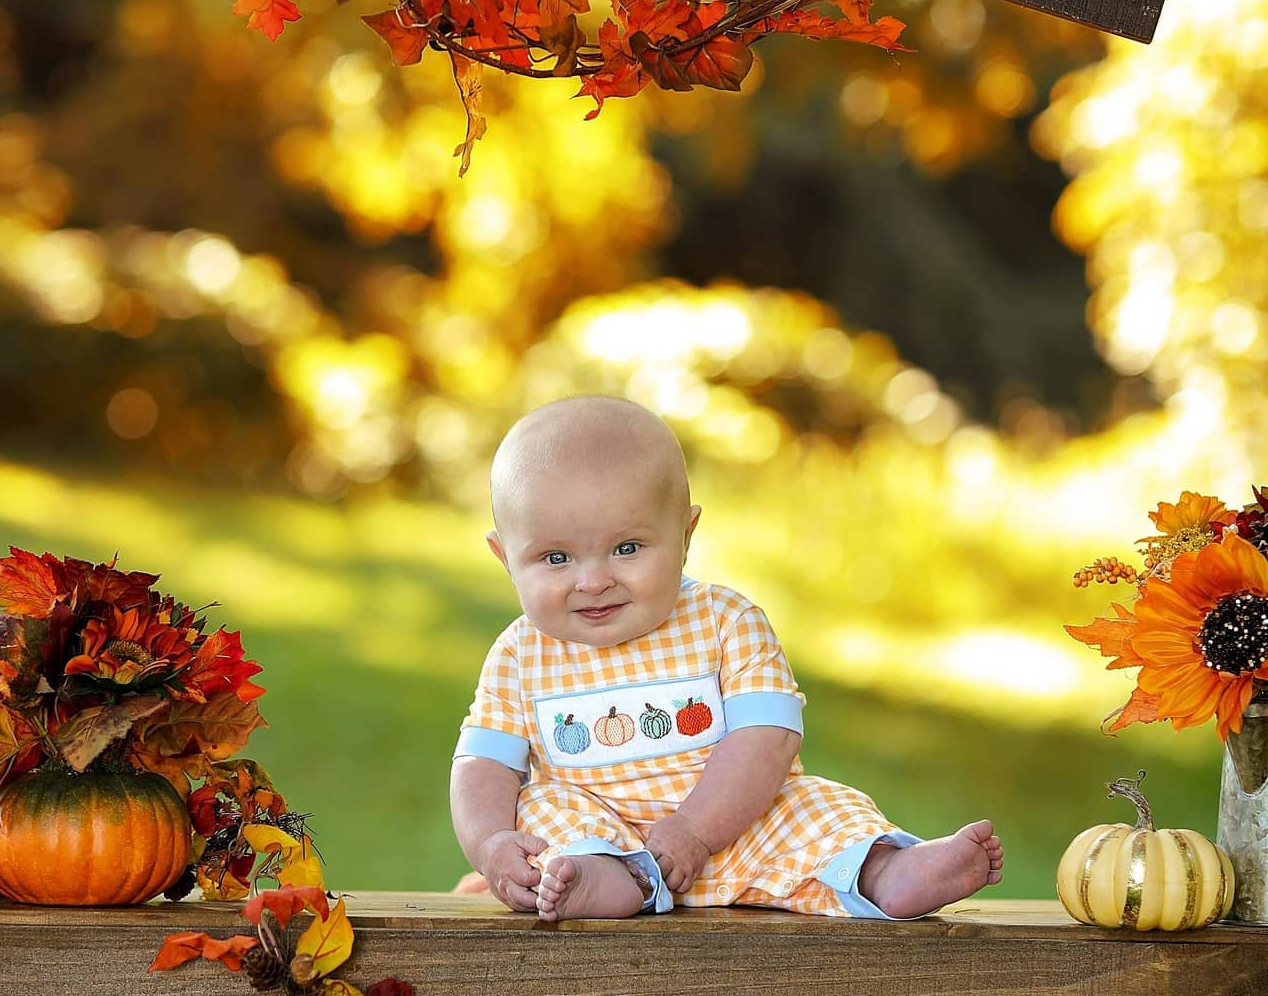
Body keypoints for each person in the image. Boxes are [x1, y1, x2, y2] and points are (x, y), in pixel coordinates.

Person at [450, 395, 1003, 922]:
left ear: (685, 534)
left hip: (737, 821)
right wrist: (492, 844)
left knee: (811, 808)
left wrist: (696, 829)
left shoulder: (724, 620)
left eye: (627, 548)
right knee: (543, 809)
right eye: (555, 558)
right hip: (596, 829)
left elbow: (768, 735)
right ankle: (597, 882)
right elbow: (484, 767)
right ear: (505, 557)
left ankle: (888, 872)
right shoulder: (519, 654)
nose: (593, 581)